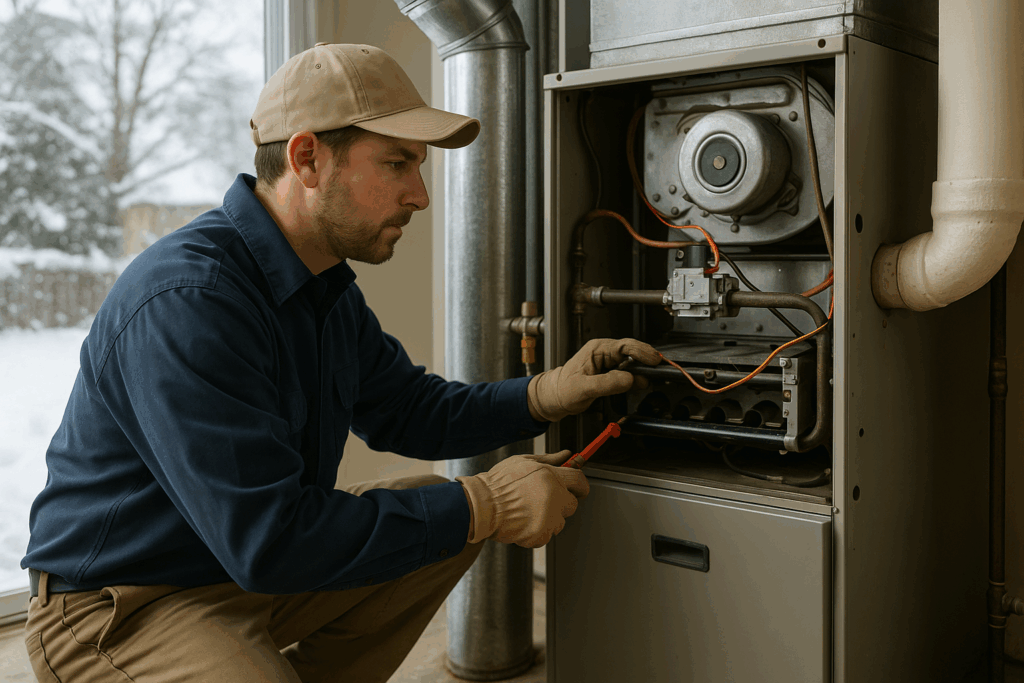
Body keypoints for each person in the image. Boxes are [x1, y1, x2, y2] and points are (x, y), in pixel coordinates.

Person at [20, 42, 659, 682]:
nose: (420, 195)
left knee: (435, 509)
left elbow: (409, 411)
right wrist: (485, 503)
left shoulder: (320, 285)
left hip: (231, 566)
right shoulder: (191, 300)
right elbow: (270, 542)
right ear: (307, 159)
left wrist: (546, 393)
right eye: (397, 163)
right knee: (456, 511)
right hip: (123, 603)